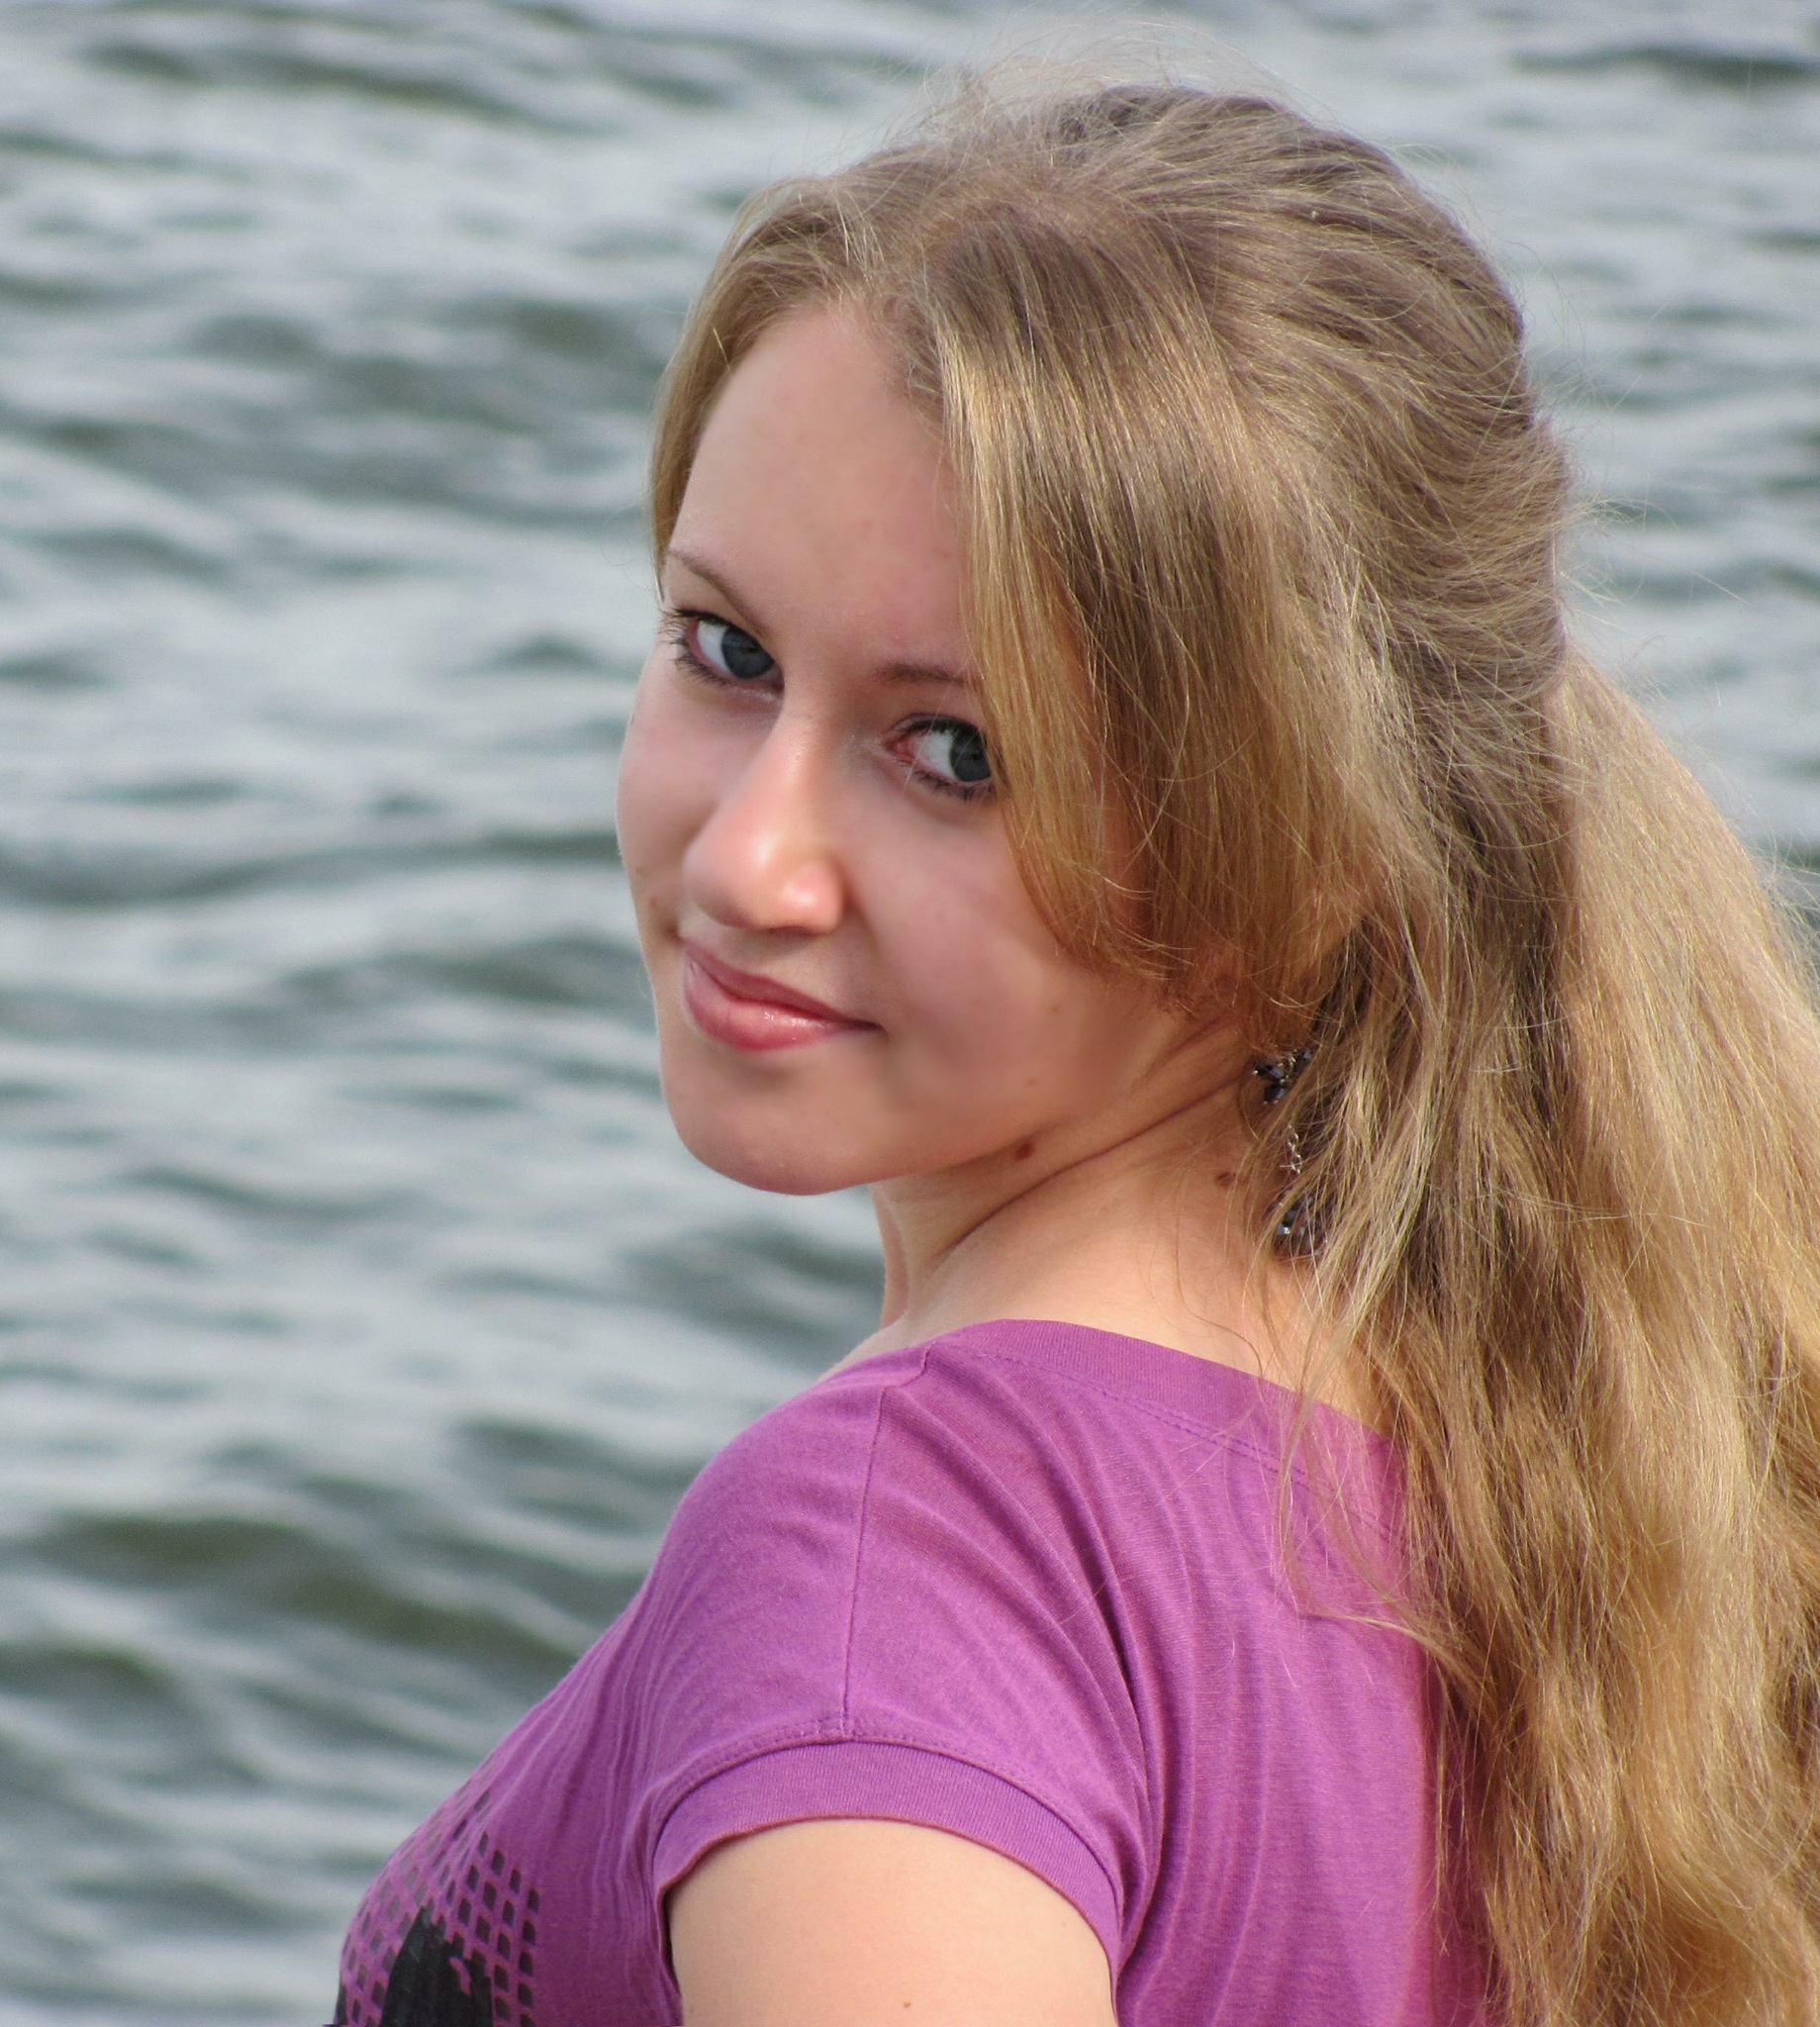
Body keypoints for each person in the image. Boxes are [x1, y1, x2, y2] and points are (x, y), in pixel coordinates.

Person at [329, 69, 1820, 2027]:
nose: (750, 859)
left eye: (955, 752)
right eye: (725, 651)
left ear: (1308, 861)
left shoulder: (896, 1570)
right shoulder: (1580, 1479)